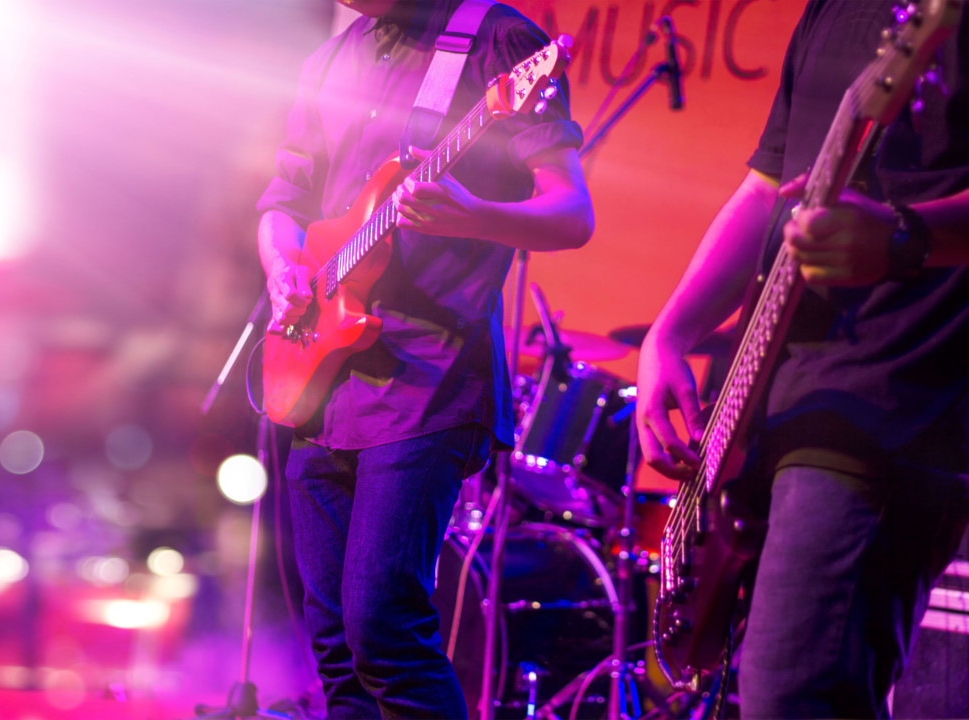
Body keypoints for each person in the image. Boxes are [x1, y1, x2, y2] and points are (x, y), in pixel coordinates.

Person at [256, 0, 593, 716]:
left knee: (383, 627)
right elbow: (284, 198)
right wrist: (281, 262)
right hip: (324, 378)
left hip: (429, 380)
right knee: (336, 651)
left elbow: (572, 214)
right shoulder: (330, 59)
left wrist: (473, 214)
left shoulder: (496, 39)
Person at [634, 0, 969, 716]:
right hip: (772, 401)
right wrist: (669, 333)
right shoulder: (830, 7)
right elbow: (767, 189)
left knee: (793, 694)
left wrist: (905, 238)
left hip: (893, 402)